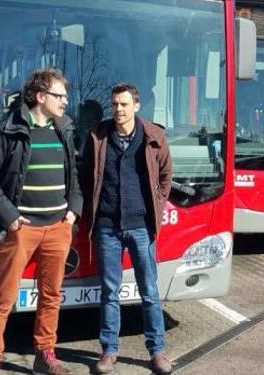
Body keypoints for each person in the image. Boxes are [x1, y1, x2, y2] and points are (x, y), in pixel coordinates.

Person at [0, 68, 82, 375]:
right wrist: (10, 217)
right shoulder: (7, 129)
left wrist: (73, 210)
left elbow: (73, 176)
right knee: (3, 299)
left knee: (51, 296)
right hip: (21, 229)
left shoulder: (64, 129)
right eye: (59, 96)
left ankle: (44, 355)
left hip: (58, 226)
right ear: (40, 96)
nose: (65, 102)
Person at [79, 83, 173, 375]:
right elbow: (84, 177)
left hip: (141, 226)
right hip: (107, 227)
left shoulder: (154, 137)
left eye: (123, 104)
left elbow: (167, 174)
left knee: (149, 291)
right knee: (109, 292)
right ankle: (109, 351)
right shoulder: (97, 137)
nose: (118, 110)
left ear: (136, 106)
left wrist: (157, 201)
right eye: (114, 105)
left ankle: (157, 351)